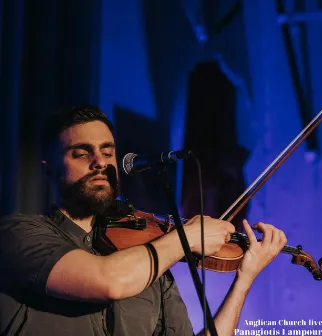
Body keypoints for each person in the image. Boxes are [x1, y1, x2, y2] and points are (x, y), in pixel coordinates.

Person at [0, 106, 287, 336]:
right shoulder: (17, 234)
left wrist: (244, 279)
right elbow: (108, 280)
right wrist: (182, 238)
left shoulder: (150, 262)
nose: (100, 162)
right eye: (82, 153)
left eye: (108, 152)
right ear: (49, 171)